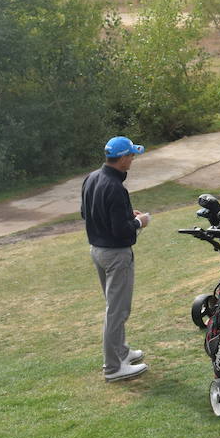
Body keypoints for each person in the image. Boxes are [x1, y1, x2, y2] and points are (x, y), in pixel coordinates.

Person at [80, 136, 151, 381]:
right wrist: (139, 221)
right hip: (115, 255)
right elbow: (122, 230)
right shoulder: (116, 187)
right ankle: (113, 367)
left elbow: (86, 213)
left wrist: (123, 214)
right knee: (117, 310)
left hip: (97, 251)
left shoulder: (91, 178)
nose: (132, 159)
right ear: (121, 158)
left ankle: (121, 352)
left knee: (116, 307)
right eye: (131, 155)